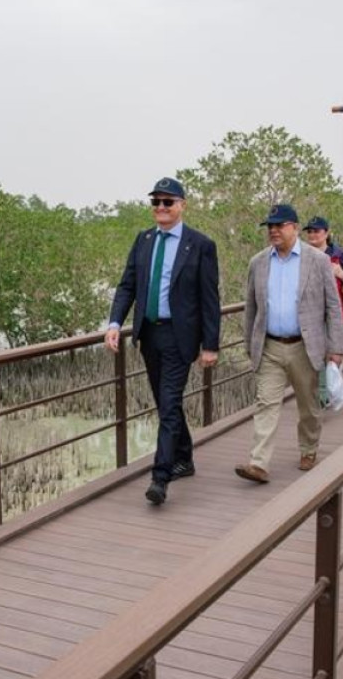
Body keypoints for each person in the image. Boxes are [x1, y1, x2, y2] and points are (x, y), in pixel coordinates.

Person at [105, 177, 221, 505]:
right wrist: (115, 323)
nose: (160, 207)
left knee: (169, 403)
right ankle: (184, 457)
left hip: (179, 336)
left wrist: (211, 345)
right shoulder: (143, 241)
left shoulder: (200, 244)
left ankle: (161, 476)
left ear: (182, 205)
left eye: (167, 202)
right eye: (155, 202)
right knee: (165, 403)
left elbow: (209, 298)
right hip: (148, 333)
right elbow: (127, 285)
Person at [234, 204, 343, 484]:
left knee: (309, 407)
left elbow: (333, 306)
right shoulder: (258, 262)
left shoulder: (317, 261)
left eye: (279, 225)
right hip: (270, 346)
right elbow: (252, 307)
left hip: (305, 347)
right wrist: (250, 344)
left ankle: (309, 449)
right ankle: (258, 463)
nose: (273, 230)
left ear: (294, 227)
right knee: (266, 404)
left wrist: (336, 349)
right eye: (270, 226)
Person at [302, 216, 343, 322]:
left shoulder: (339, 255)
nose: (312, 235)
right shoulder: (303, 256)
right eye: (309, 231)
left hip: (335, 318)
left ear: (326, 233)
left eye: (316, 231)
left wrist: (341, 273)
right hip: (311, 317)